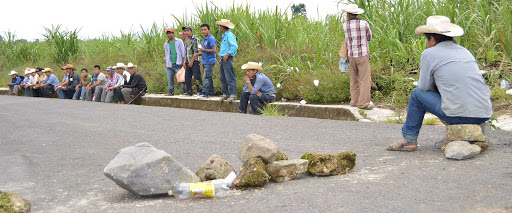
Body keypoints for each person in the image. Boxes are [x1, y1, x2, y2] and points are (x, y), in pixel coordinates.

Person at [387, 16, 492, 151]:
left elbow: (423, 87)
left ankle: (409, 139)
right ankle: (452, 137)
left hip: (458, 116)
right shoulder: (465, 51)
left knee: (416, 95)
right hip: (483, 113)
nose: (427, 42)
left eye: (427, 39)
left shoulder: (429, 53)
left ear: (432, 39)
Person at [342, 4, 373, 110]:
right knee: (364, 79)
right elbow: (369, 37)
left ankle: (354, 101)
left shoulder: (345, 25)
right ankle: (363, 103)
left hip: (351, 55)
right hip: (362, 54)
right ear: (356, 14)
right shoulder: (364, 24)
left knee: (353, 79)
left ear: (349, 15)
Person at [215, 19, 238, 102]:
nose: (219, 28)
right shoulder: (224, 36)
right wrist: (221, 58)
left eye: (220, 27)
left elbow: (234, 46)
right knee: (223, 77)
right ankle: (226, 94)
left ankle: (233, 94)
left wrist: (227, 54)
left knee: (229, 77)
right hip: (224, 59)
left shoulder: (229, 35)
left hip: (228, 58)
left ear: (222, 27)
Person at [164, 28, 186, 96]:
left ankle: (182, 92)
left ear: (173, 33)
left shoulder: (179, 41)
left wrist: (183, 62)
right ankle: (171, 92)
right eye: (168, 33)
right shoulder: (166, 44)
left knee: (180, 79)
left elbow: (183, 52)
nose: (169, 35)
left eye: (170, 33)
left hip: (178, 63)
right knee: (170, 79)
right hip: (169, 64)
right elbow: (166, 54)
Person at [198, 23, 217, 98]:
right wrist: (199, 53)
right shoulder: (204, 39)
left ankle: (205, 93)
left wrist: (204, 50)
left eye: (205, 29)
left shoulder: (211, 38)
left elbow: (214, 50)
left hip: (210, 61)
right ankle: (211, 92)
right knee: (209, 77)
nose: (203, 31)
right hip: (205, 61)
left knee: (206, 77)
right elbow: (204, 51)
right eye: (202, 30)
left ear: (209, 30)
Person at [182, 25, 203, 96]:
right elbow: (185, 52)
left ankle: (200, 91)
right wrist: (184, 62)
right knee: (187, 77)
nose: (186, 32)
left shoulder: (195, 39)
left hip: (195, 61)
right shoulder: (186, 40)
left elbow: (196, 52)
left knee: (197, 76)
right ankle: (189, 91)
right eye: (185, 31)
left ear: (191, 31)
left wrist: (192, 62)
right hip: (188, 61)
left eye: (188, 31)